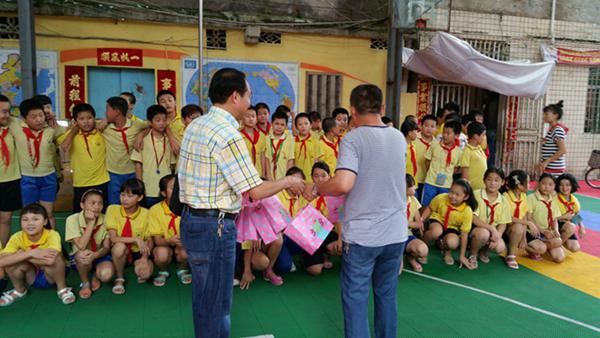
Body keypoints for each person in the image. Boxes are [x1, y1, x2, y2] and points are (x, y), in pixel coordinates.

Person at [177, 67, 304, 337]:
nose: (250, 102)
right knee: (218, 304)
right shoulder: (229, 135)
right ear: (235, 96)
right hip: (215, 227)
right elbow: (254, 191)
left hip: (192, 220)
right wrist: (288, 182)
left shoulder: (195, 125)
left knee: (203, 297)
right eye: (248, 95)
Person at [303, 84, 408, 338]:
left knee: (356, 300)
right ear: (382, 108)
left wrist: (317, 188)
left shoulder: (353, 138)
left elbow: (342, 184)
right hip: (395, 234)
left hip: (363, 236)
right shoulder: (398, 136)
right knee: (386, 296)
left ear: (352, 111)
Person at [0, 203, 76, 306]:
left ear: (45, 221)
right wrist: (31, 253)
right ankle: (19, 291)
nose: (30, 223)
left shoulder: (52, 234)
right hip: (31, 276)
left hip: (51, 275)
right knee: (10, 261)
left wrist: (23, 255)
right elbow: (2, 261)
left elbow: (51, 260)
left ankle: (62, 289)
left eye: (35, 219)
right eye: (25, 220)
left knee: (57, 258)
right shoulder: (17, 237)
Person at [9, 98, 66, 229]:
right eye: (34, 117)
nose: (39, 119)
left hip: (48, 177)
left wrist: (55, 121)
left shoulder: (51, 129)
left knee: (48, 213)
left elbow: (67, 134)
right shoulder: (16, 126)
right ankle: (29, 244)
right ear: (24, 118)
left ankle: (52, 244)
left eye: (41, 115)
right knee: (29, 214)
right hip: (27, 177)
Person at [58, 103, 110, 212]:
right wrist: (74, 130)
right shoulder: (71, 135)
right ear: (76, 121)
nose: (86, 122)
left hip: (101, 181)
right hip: (80, 182)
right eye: (81, 119)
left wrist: (105, 121)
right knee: (79, 214)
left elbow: (110, 121)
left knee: (101, 212)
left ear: (94, 118)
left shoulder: (101, 132)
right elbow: (63, 147)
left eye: (89, 118)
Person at [106, 178, 153, 294]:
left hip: (138, 252)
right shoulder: (112, 209)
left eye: (130, 196)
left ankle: (137, 265)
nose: (124, 199)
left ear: (140, 198)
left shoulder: (146, 213)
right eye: (122, 195)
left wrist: (144, 258)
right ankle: (119, 277)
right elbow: (113, 238)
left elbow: (150, 240)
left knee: (145, 274)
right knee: (119, 246)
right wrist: (136, 239)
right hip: (120, 251)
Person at [65, 189, 114, 299]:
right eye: (92, 203)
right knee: (83, 253)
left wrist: (95, 255)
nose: (96, 206)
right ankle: (85, 282)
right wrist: (91, 222)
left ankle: (96, 275)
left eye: (100, 203)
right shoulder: (72, 219)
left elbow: (106, 247)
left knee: (107, 275)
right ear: (82, 205)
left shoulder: (105, 219)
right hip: (80, 257)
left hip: (99, 254)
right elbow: (81, 246)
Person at [421, 179, 477, 269]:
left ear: (466, 197)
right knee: (436, 232)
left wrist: (462, 256)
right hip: (438, 220)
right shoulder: (441, 197)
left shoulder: (467, 211)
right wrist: (421, 220)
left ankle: (446, 251)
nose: (452, 196)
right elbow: (430, 208)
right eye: (451, 192)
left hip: (452, 227)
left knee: (453, 243)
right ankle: (423, 245)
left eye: (457, 194)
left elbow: (464, 234)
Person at [102, 96, 148, 205]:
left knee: (132, 203)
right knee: (114, 205)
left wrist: (141, 134)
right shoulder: (104, 127)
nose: (105, 112)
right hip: (113, 173)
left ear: (117, 111)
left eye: (107, 109)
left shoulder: (136, 124)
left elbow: (151, 125)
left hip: (132, 171)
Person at [148, 174, 192, 287]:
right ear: (163, 193)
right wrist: (169, 241)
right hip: (164, 244)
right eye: (173, 188)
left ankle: (182, 269)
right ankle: (163, 271)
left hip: (183, 244)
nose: (178, 191)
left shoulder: (188, 207)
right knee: (161, 254)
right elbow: (157, 240)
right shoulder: (155, 210)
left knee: (186, 252)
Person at [131, 105, 176, 208]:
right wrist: (140, 186)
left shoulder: (169, 141)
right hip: (148, 187)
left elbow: (172, 166)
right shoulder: (142, 140)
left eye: (164, 120)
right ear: (150, 122)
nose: (162, 123)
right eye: (158, 120)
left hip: (165, 190)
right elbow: (138, 164)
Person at [469, 168, 511, 269]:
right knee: (483, 233)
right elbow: (473, 218)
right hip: (475, 229)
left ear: (502, 182)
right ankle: (473, 254)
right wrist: (492, 229)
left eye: (497, 180)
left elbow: (503, 223)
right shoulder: (476, 194)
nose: (492, 183)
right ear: (484, 180)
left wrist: (498, 235)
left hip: (492, 232)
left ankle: (483, 252)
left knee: (500, 247)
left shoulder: (504, 201)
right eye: (489, 179)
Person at [421, 120, 463, 206]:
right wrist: (432, 173)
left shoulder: (459, 152)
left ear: (457, 135)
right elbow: (427, 162)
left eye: (448, 133)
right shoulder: (434, 145)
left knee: (442, 207)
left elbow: (456, 168)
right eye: (444, 132)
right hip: (430, 182)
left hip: (446, 185)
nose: (444, 135)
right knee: (426, 205)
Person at [525, 174, 565, 262]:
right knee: (542, 248)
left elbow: (554, 219)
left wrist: (556, 230)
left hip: (548, 232)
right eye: (544, 183)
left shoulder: (553, 199)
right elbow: (529, 218)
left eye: (550, 185)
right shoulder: (531, 198)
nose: (546, 187)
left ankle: (545, 246)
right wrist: (543, 231)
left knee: (560, 258)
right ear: (539, 184)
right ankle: (528, 247)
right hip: (533, 232)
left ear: (554, 186)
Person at [0, 94, 21, 247]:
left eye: (8, 111)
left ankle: (4, 254)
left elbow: (33, 121)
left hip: (10, 180)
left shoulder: (14, 124)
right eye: (3, 112)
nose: (6, 115)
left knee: (6, 219)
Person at [503, 170, 532, 270]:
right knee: (518, 226)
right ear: (519, 185)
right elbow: (508, 217)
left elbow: (523, 216)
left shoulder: (523, 197)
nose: (529, 185)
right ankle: (510, 255)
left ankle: (511, 249)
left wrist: (524, 237)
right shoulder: (505, 197)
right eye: (527, 182)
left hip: (517, 231)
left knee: (519, 226)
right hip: (505, 230)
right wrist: (528, 223)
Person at [554, 173, 584, 253]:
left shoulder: (574, 200)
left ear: (572, 186)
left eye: (568, 185)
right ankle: (555, 245)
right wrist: (564, 217)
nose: (564, 188)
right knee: (571, 226)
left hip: (566, 226)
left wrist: (581, 227)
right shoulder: (554, 198)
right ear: (557, 186)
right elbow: (549, 217)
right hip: (554, 225)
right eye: (561, 185)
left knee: (575, 248)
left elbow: (576, 214)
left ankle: (559, 241)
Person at [404, 174, 428, 272]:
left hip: (407, 235)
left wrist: (404, 223)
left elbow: (419, 224)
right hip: (393, 237)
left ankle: (410, 258)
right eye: (411, 186)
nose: (414, 187)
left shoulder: (413, 201)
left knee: (423, 250)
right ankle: (397, 258)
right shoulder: (393, 200)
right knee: (397, 271)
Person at [537, 101, 567, 177]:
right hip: (550, 168)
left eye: (546, 114)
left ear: (555, 115)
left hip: (554, 169)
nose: (544, 116)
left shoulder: (557, 130)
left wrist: (547, 161)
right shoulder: (553, 129)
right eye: (544, 114)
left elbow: (562, 150)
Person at [265, 110, 295, 181]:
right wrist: (269, 177)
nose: (279, 127)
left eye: (282, 125)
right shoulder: (267, 139)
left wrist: (287, 178)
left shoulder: (290, 139)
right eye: (277, 124)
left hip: (284, 176)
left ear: (286, 126)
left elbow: (290, 160)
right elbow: (266, 159)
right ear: (271, 124)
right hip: (270, 178)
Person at [414, 114, 437, 201]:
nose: (429, 129)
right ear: (420, 125)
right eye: (426, 125)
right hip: (414, 178)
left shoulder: (437, 144)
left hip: (429, 181)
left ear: (436, 128)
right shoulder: (414, 138)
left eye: (432, 126)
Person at [240, 106, 267, 177]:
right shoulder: (238, 136)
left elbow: (262, 156)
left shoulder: (262, 136)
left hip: (258, 174)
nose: (251, 119)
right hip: (243, 174)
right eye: (248, 116)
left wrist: (263, 175)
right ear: (242, 118)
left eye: (253, 116)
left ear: (256, 119)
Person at [460, 121, 487, 191]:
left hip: (482, 188)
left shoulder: (479, 148)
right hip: (472, 189)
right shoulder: (467, 151)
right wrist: (465, 189)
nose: (484, 137)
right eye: (483, 135)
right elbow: (464, 173)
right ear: (475, 136)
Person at [294, 113, 321, 181]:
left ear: (311, 125)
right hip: (296, 178)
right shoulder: (292, 142)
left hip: (311, 178)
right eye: (300, 124)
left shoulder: (315, 142)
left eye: (306, 124)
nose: (303, 126)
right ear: (296, 126)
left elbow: (317, 161)